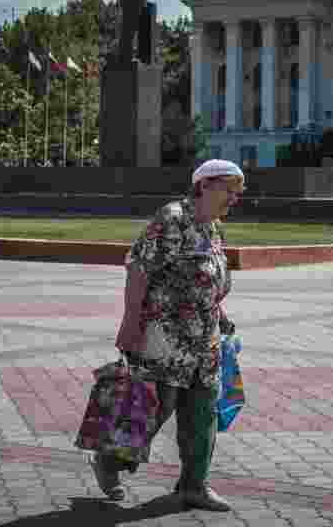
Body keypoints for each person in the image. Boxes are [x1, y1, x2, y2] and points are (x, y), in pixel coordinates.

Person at [91, 159, 245, 511]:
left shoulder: (214, 228)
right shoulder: (173, 219)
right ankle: (109, 461)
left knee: (203, 413)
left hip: (204, 342)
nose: (235, 198)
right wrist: (131, 324)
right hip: (164, 335)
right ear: (205, 186)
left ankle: (194, 486)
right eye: (230, 189)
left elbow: (204, 280)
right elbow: (139, 269)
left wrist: (220, 315)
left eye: (238, 192)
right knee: (153, 408)